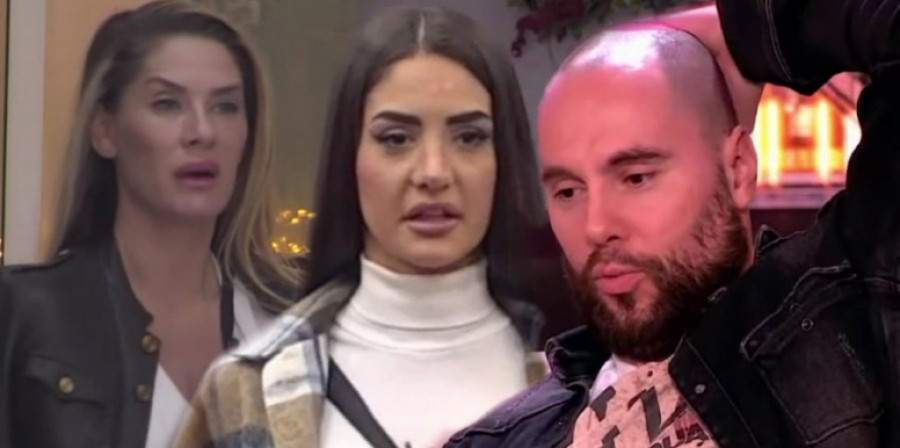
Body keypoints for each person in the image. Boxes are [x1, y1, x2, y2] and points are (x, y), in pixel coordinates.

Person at [445, 0, 899, 446]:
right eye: (568, 192)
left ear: (738, 170)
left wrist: (740, 32)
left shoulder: (847, 320)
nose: (596, 227)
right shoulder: (497, 441)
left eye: (636, 178)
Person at [176, 5, 553, 448]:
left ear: (503, 155)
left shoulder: (584, 375)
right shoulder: (245, 392)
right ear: (350, 157)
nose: (433, 172)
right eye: (396, 139)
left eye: (469, 137)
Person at [0, 2, 301, 447]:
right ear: (105, 130)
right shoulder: (26, 315)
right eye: (167, 104)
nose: (202, 131)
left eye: (225, 106)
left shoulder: (292, 319)